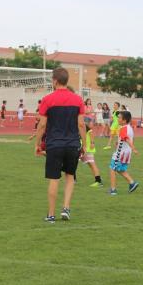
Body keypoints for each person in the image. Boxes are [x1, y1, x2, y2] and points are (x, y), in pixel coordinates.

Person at [35, 68, 86, 223]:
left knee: (54, 179)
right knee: (70, 177)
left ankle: (51, 215)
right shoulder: (78, 100)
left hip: (54, 145)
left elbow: (42, 125)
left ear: (55, 80)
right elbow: (81, 124)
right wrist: (84, 145)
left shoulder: (47, 99)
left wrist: (38, 144)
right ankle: (66, 208)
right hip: (72, 145)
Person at [109, 110, 139, 195]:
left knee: (112, 169)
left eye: (119, 118)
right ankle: (132, 183)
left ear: (124, 120)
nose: (117, 119)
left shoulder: (123, 128)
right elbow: (129, 139)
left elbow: (127, 139)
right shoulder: (129, 128)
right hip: (126, 153)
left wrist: (134, 149)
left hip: (120, 153)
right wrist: (118, 142)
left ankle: (113, 190)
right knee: (120, 169)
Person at [81, 118, 103, 187]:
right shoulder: (83, 129)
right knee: (91, 165)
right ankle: (98, 178)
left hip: (88, 150)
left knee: (92, 165)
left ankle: (98, 181)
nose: (92, 124)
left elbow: (92, 137)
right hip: (84, 150)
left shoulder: (89, 130)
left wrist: (92, 143)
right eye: (91, 123)